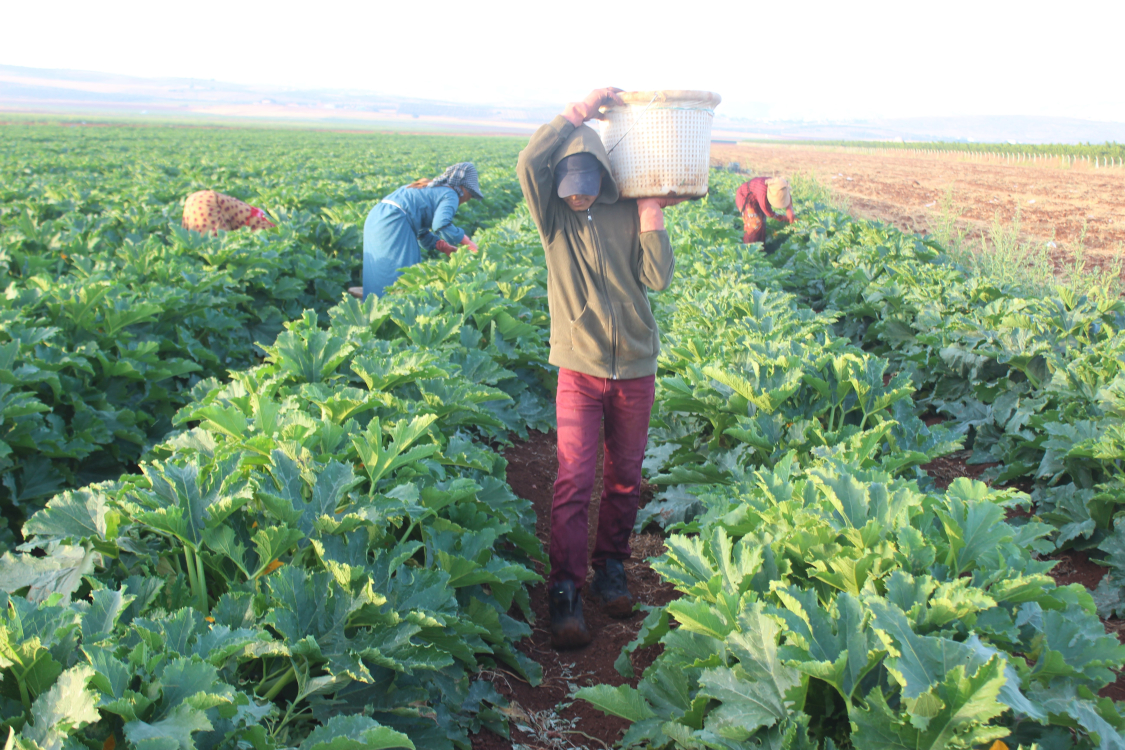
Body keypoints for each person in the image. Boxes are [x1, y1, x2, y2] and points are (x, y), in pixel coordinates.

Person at [517, 87, 680, 649]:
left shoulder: (623, 209)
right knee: (572, 480)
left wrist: (652, 216)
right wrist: (578, 112)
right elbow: (527, 163)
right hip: (579, 371)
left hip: (635, 365)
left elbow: (656, 279)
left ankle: (611, 566)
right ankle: (564, 589)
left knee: (624, 477)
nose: (581, 200)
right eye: (572, 191)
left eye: (590, 191)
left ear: (605, 181)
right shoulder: (553, 220)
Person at [351, 163, 482, 299]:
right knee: (402, 273)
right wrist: (470, 244)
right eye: (471, 193)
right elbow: (441, 224)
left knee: (379, 267)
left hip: (377, 216)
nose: (469, 198)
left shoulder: (431, 187)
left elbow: (422, 233)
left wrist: (443, 247)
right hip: (395, 221)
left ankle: (374, 306)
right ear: (463, 187)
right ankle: (393, 310)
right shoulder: (451, 194)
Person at [735, 176, 796, 245]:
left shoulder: (778, 186)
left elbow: (786, 194)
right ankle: (749, 249)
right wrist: (784, 218)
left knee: (762, 223)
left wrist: (789, 208)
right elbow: (768, 212)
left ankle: (760, 249)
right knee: (755, 224)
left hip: (756, 197)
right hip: (745, 198)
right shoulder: (763, 193)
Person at [182, 190, 276, 234]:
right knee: (212, 244)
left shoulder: (261, 216)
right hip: (207, 203)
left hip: (196, 198)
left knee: (192, 239)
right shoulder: (269, 228)